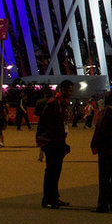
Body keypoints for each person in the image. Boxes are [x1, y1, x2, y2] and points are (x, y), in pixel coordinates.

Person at [36, 80, 73, 208]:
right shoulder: (54, 103)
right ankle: (48, 199)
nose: (71, 93)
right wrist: (43, 140)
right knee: (51, 171)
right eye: (69, 90)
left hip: (57, 141)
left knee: (56, 171)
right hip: (51, 141)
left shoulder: (61, 103)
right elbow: (44, 122)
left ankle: (54, 197)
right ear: (62, 89)